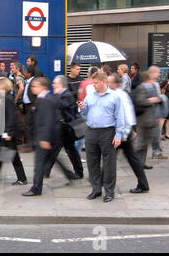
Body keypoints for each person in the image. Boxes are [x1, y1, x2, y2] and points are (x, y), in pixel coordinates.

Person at [77, 71, 125, 203]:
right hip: (91, 131)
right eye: (93, 83)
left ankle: (109, 191)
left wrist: (119, 135)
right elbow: (85, 112)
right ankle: (96, 189)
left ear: (104, 82)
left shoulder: (114, 97)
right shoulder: (91, 95)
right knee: (92, 162)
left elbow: (120, 117)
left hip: (107, 132)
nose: (94, 85)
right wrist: (82, 108)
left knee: (109, 163)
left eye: (96, 83)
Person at [107, 73, 150, 194]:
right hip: (121, 132)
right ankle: (143, 184)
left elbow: (127, 115)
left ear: (116, 83)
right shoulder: (118, 94)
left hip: (121, 133)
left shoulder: (120, 95)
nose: (108, 84)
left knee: (115, 157)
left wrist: (125, 134)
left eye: (109, 82)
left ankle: (143, 184)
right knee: (122, 157)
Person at [22, 77, 62, 196]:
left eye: (35, 86)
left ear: (43, 87)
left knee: (39, 164)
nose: (32, 88)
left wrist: (44, 138)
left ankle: (36, 188)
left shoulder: (46, 100)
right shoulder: (42, 98)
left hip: (44, 138)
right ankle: (68, 174)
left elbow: (48, 120)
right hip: (44, 137)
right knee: (49, 161)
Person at [0, 77, 27, 185]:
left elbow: (11, 118)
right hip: (7, 131)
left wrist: (8, 133)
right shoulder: (5, 97)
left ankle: (22, 178)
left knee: (13, 156)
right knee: (3, 154)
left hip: (9, 132)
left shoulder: (7, 99)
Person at [47, 75, 84, 179]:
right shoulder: (60, 94)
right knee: (58, 150)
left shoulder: (67, 95)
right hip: (60, 128)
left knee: (68, 151)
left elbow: (62, 105)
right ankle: (46, 171)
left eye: (54, 83)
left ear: (61, 85)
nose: (53, 85)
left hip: (66, 129)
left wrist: (56, 95)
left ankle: (79, 173)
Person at [134, 68, 168, 170]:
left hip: (152, 118)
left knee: (145, 143)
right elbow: (140, 101)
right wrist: (152, 100)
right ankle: (131, 155)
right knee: (141, 143)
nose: (159, 74)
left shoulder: (154, 85)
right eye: (157, 72)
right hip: (143, 119)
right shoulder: (143, 87)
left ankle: (141, 163)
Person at [20, 65, 37, 153]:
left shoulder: (34, 81)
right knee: (29, 125)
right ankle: (31, 143)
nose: (24, 73)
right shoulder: (28, 81)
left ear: (29, 73)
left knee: (28, 125)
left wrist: (34, 106)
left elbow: (36, 95)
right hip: (27, 106)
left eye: (25, 72)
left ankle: (31, 144)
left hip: (31, 106)